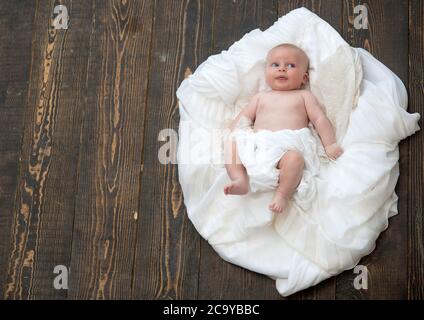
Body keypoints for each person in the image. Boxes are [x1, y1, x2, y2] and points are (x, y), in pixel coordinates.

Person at [223, 43, 343, 214]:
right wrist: (234, 127)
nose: (282, 69)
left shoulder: (304, 96)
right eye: (275, 65)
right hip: (259, 144)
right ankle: (239, 179)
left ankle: (282, 194)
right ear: (266, 73)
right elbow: (245, 117)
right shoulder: (260, 97)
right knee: (232, 142)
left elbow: (319, 119)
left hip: (288, 146)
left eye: (290, 65)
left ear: (304, 78)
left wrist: (330, 144)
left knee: (295, 160)